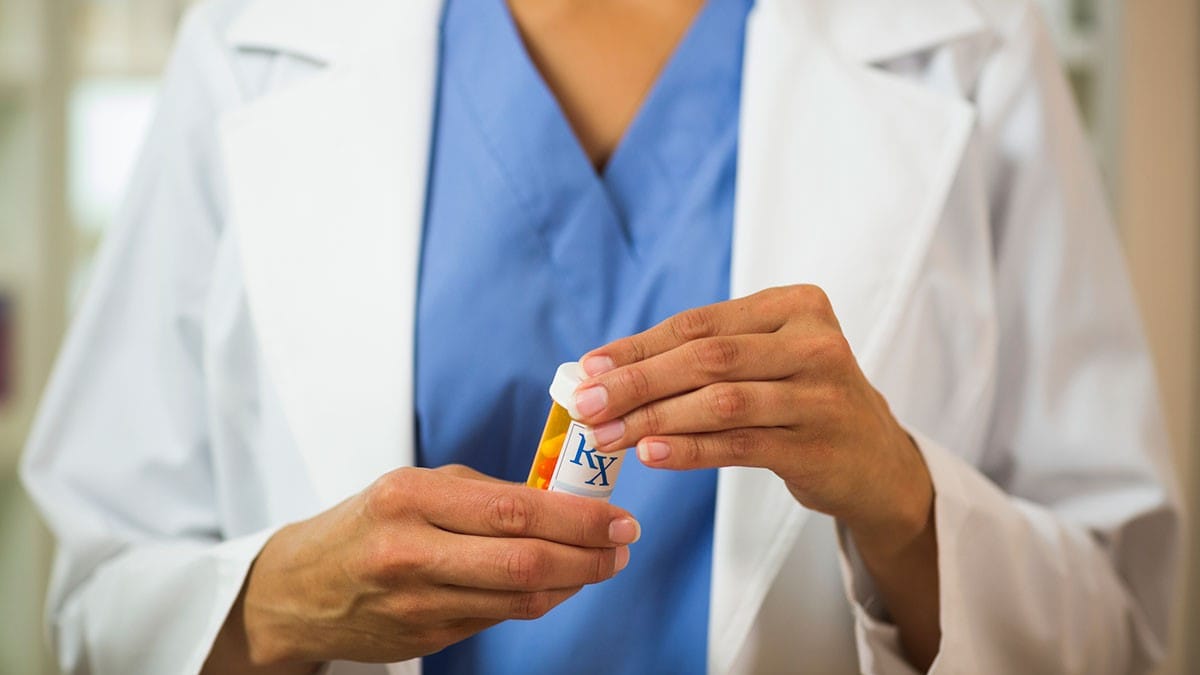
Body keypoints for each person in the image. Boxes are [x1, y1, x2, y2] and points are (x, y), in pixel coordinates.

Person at [21, 0, 1181, 673]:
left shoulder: (964, 32)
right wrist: (277, 602)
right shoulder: (256, 32)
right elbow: (90, 610)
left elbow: (1121, 631)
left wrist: (908, 507)